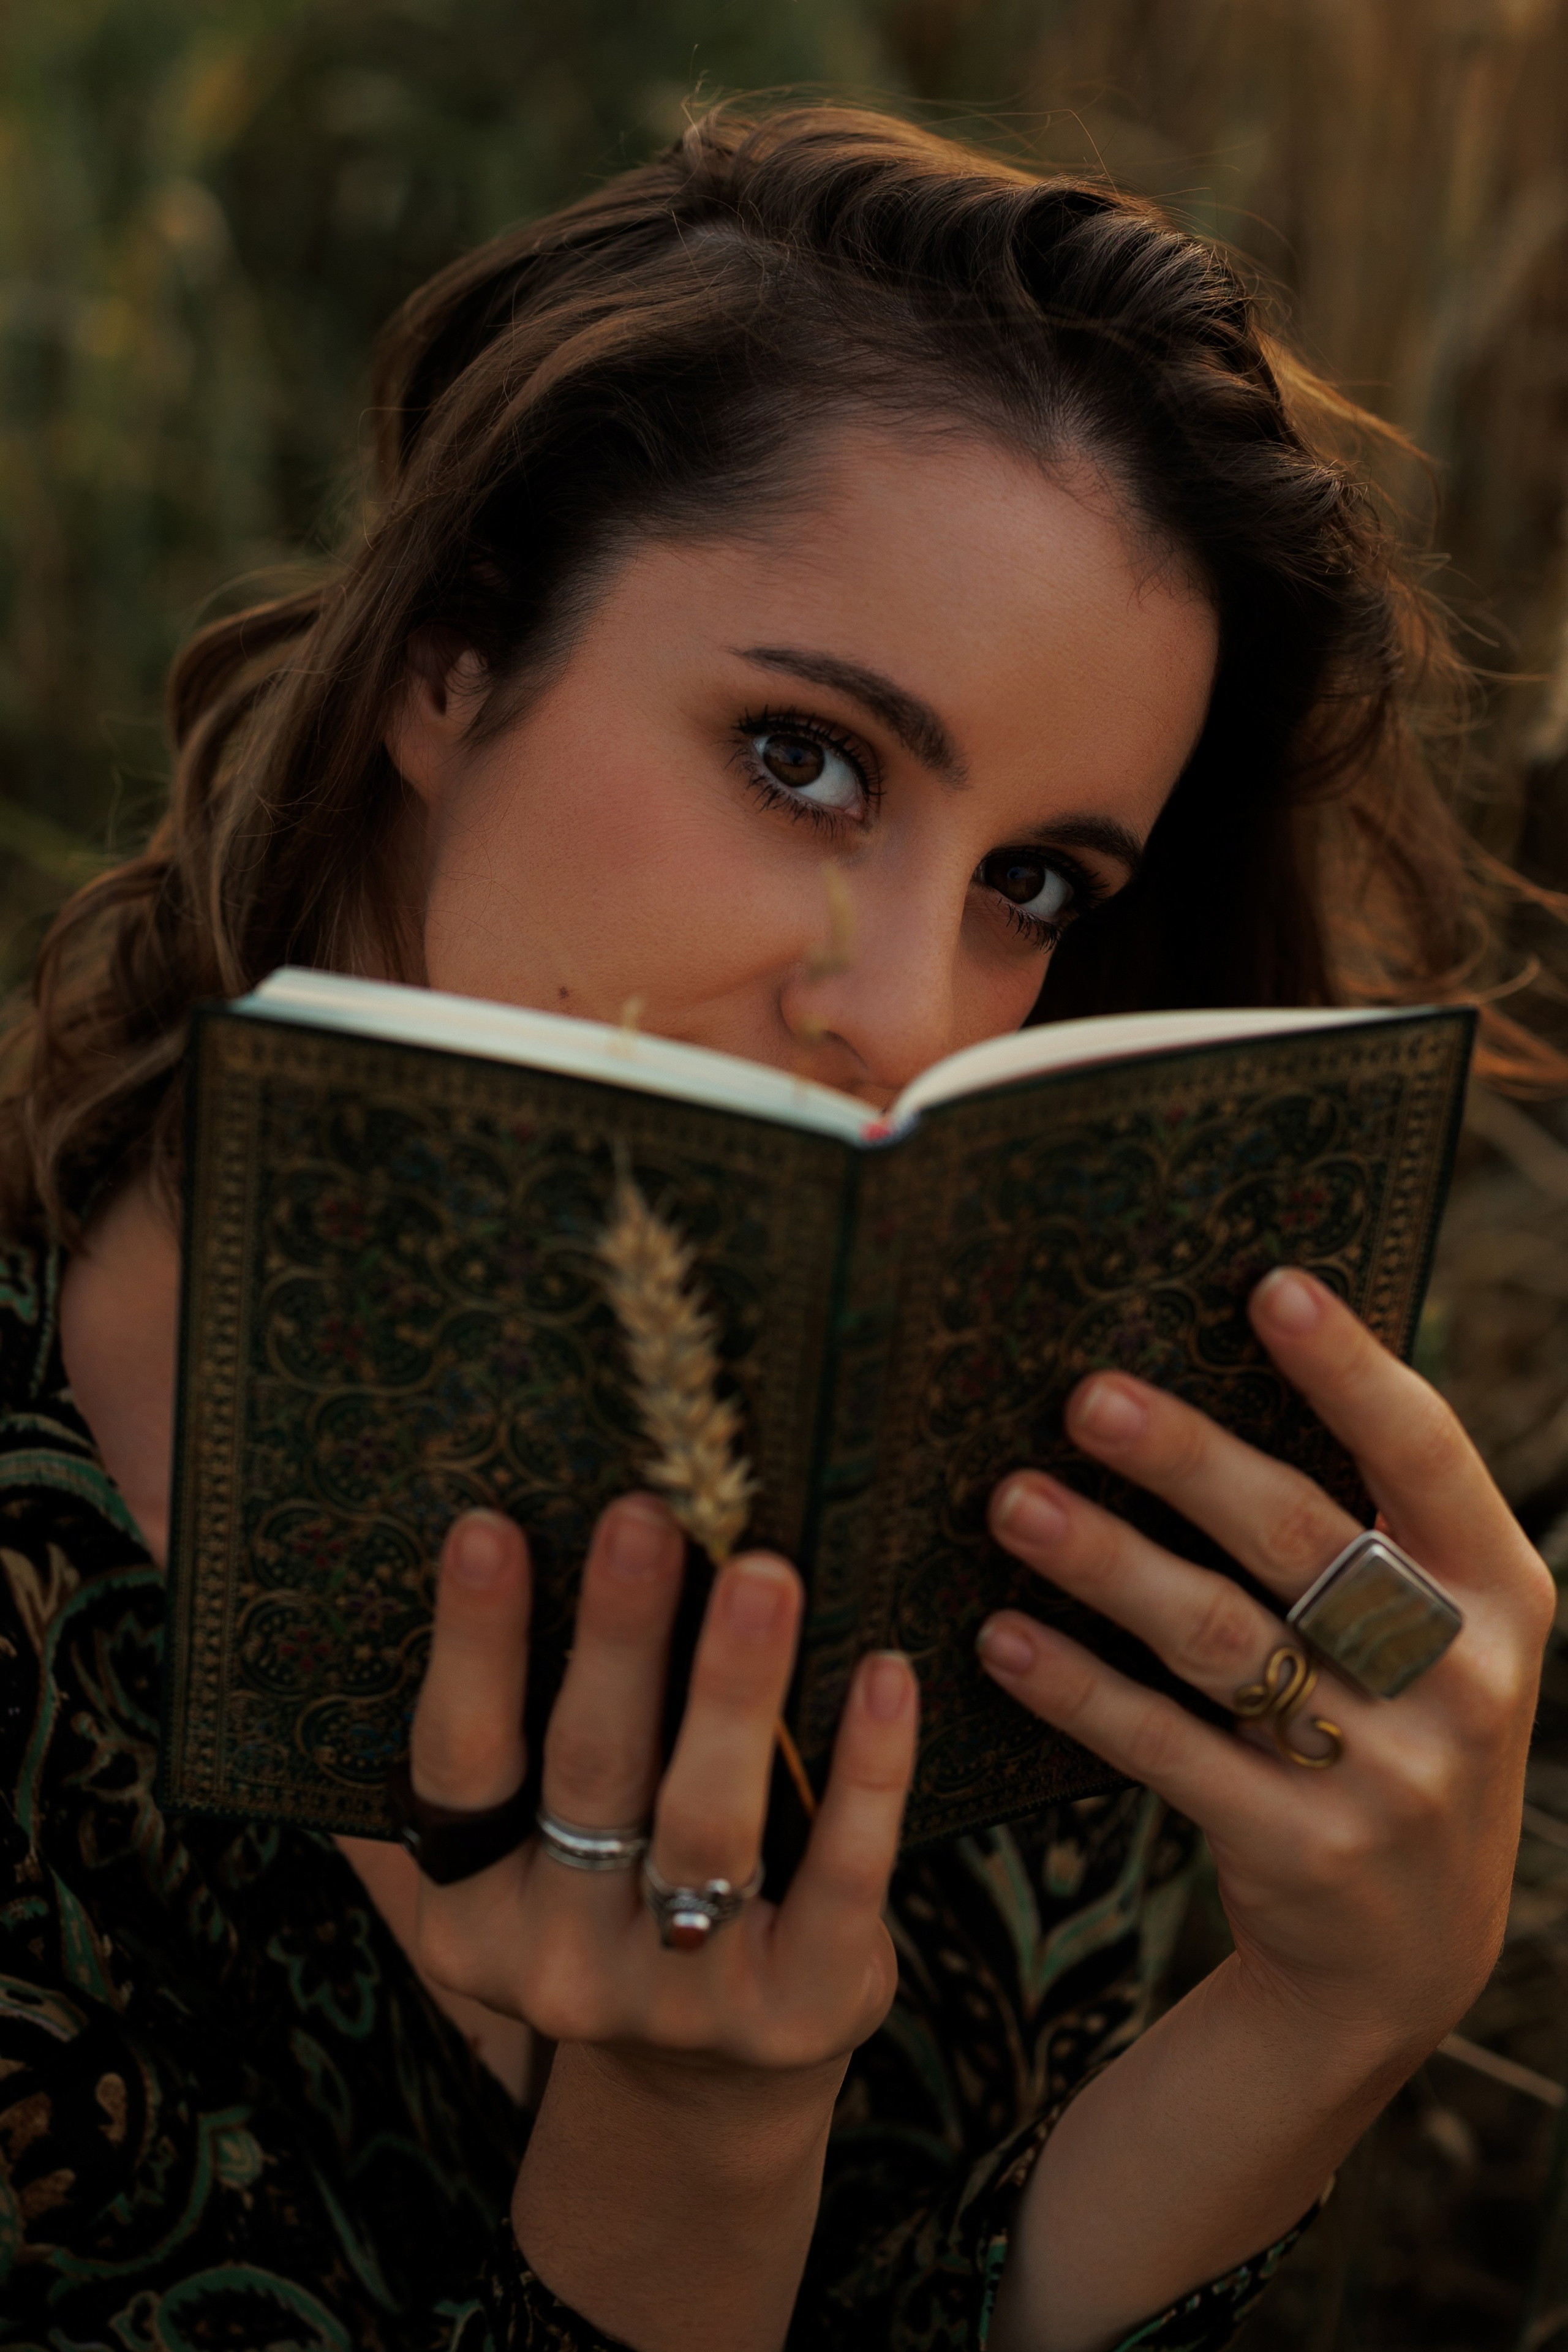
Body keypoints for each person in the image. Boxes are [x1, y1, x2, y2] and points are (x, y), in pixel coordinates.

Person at [0, 102, 1555, 2352]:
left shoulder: (1018, 1588)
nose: (904, 1012)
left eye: (1037, 886)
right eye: (806, 761)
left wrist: (1324, 2026)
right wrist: (691, 2162)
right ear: (452, 660)